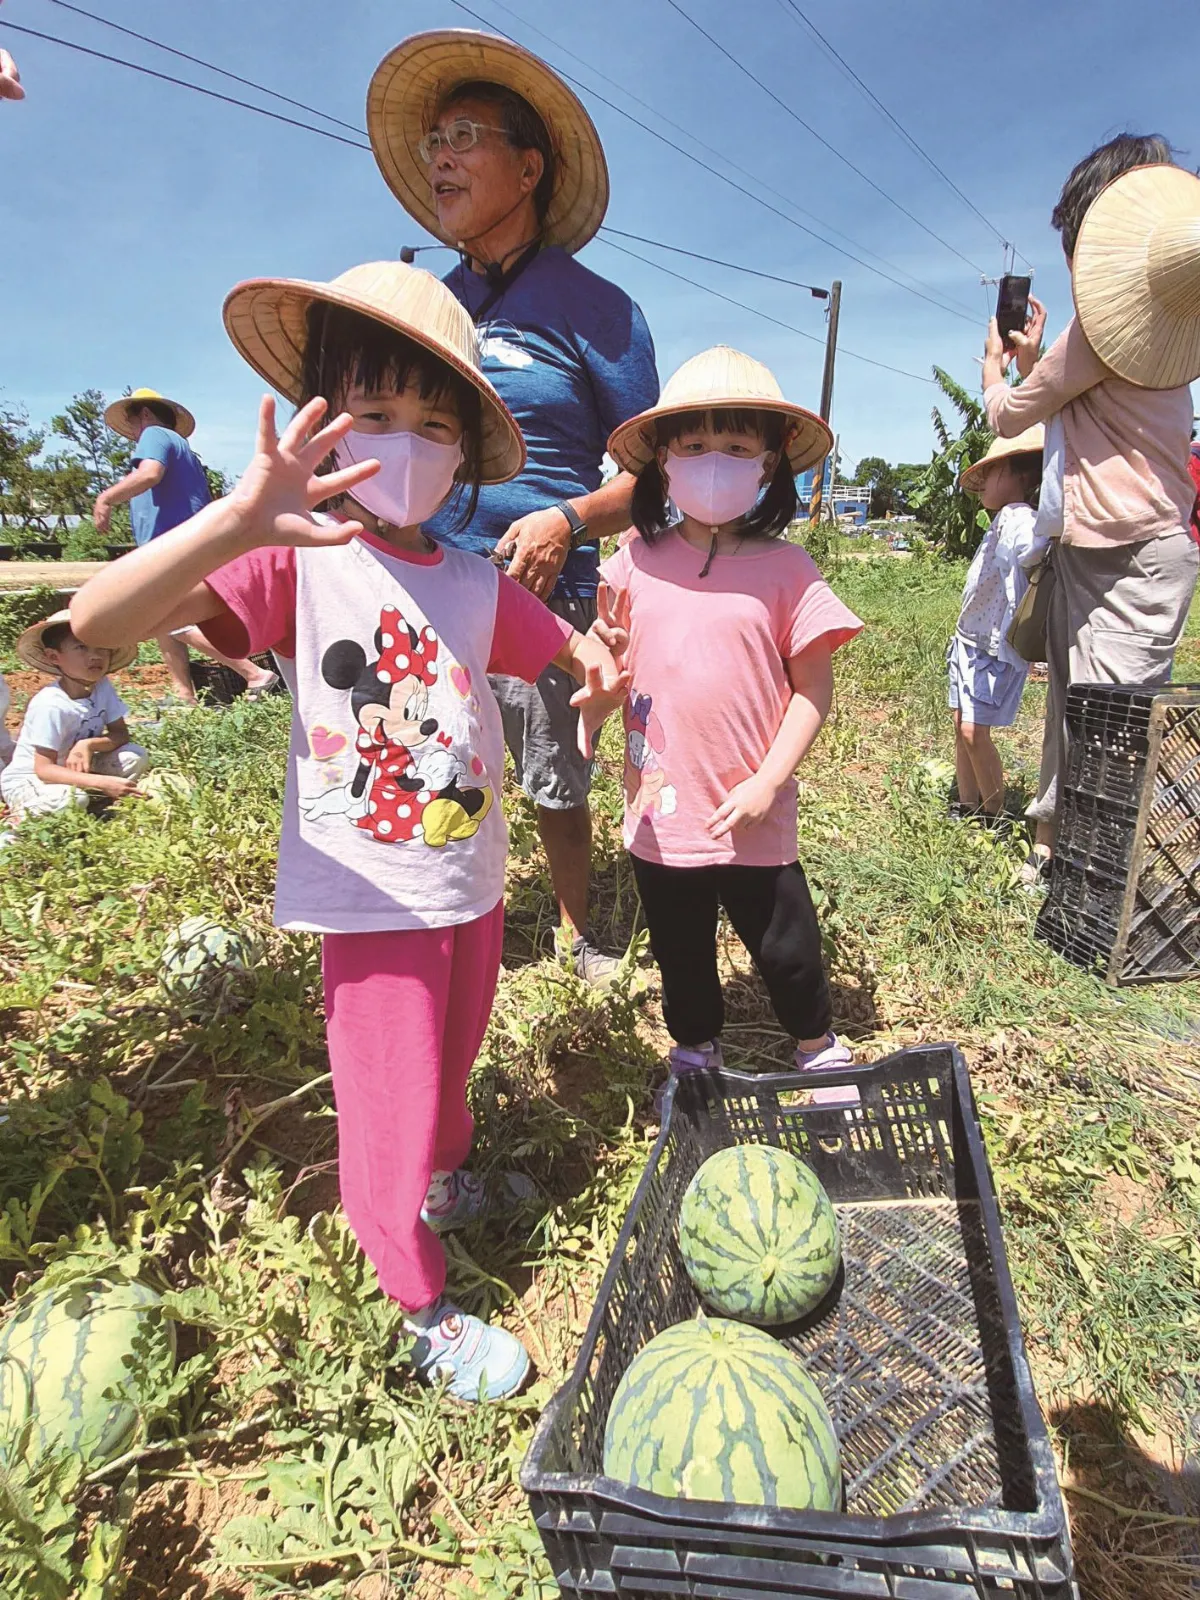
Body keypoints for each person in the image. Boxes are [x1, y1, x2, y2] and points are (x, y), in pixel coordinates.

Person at [72, 261, 627, 1401]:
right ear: (323, 423)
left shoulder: (472, 579)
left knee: (453, 1058)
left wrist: (599, 663)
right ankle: (415, 1299)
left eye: (434, 425)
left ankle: (442, 1179)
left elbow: (560, 647)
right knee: (389, 1091)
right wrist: (233, 521)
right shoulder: (296, 561)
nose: (404, 446)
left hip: (469, 874)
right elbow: (100, 617)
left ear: (465, 454)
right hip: (369, 893)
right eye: (374, 414)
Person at [368, 31, 659, 983]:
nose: (441, 159)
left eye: (466, 137)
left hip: (545, 591)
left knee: (552, 775)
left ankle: (576, 932)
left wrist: (565, 520)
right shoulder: (430, 307)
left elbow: (652, 479)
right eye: (433, 143)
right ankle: (439, 914)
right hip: (426, 579)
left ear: (529, 168)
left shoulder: (599, 311)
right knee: (426, 752)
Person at [594, 347, 863, 1103]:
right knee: (679, 947)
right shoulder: (631, 563)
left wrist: (768, 782)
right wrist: (598, 677)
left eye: (738, 448)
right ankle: (695, 1051)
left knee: (786, 943)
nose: (715, 461)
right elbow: (610, 663)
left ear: (770, 463)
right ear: (663, 459)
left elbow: (812, 691)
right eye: (694, 444)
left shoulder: (789, 571)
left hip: (753, 809)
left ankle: (817, 1047)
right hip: (662, 808)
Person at [982, 139, 1200, 884]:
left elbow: (1011, 416)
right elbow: (1074, 406)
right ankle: (1053, 851)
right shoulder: (1161, 341)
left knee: (1106, 726)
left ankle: (1093, 882)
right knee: (1083, 711)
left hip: (1127, 557)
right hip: (1112, 551)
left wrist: (996, 372)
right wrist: (1036, 361)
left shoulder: (1098, 334)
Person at [95, 388, 277, 707]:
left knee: (159, 616)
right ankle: (184, 695)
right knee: (167, 622)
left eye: (133, 421)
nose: (134, 431)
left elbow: (150, 474)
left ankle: (254, 674)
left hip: (172, 545)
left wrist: (106, 498)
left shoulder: (154, 434)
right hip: (181, 543)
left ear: (145, 414)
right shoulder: (181, 448)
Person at [950, 428, 1045, 821]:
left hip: (992, 646)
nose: (985, 482)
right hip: (971, 638)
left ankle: (993, 815)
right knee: (962, 726)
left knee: (973, 731)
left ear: (1015, 473)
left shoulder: (1020, 517)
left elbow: (1033, 552)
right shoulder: (1005, 517)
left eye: (990, 472)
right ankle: (966, 805)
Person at [0, 610, 147, 823]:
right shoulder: (51, 704)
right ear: (54, 657)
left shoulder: (102, 686)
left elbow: (120, 734)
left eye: (102, 648)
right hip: (31, 779)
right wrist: (102, 782)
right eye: (81, 647)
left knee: (134, 756)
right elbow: (44, 769)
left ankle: (96, 806)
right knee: (70, 799)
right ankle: (18, 822)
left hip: (74, 769)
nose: (95, 656)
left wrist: (87, 745)